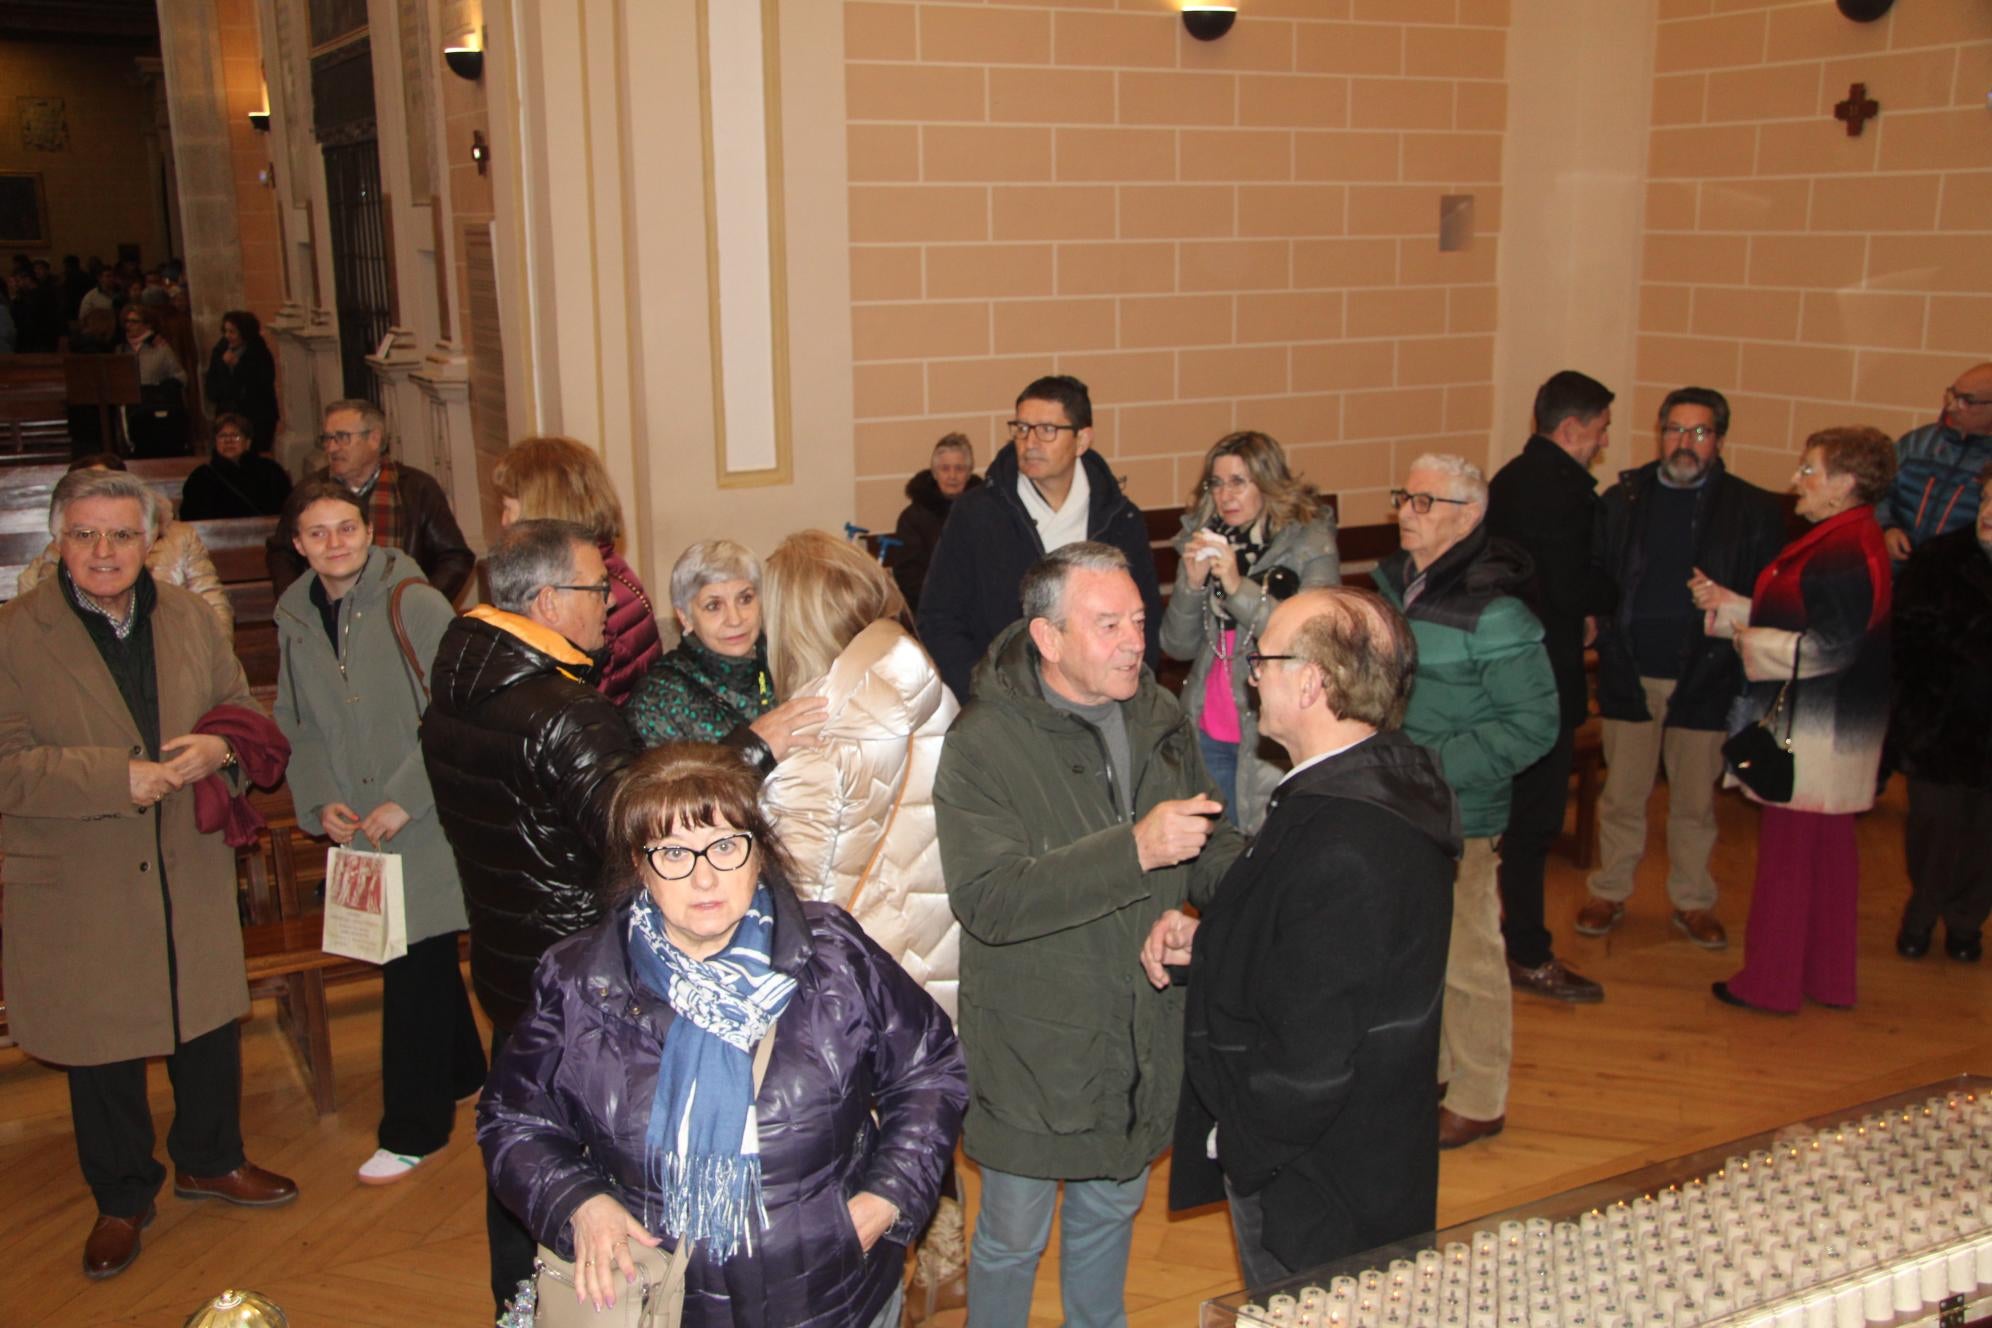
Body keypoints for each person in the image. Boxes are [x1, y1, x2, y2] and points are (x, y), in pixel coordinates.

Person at [478, 742, 967, 1327]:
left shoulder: (833, 954)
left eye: (726, 846)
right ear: (639, 865)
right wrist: (578, 1202)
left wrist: (887, 1196)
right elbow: (512, 1121)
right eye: (674, 853)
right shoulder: (583, 981)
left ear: (758, 854)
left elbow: (928, 1069)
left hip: (833, 1294)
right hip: (666, 1301)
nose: (705, 876)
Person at [934, 541, 1243, 1328]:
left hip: (1140, 1033)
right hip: (1037, 1049)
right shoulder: (983, 743)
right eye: (1109, 626)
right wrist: (1134, 849)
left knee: (1111, 1219)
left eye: (1138, 621)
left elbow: (1208, 843)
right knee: (1009, 1240)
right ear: (1047, 637)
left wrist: (1270, 884)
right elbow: (991, 900)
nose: (1135, 642)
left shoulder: (1160, 716)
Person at [0, 467, 298, 1281]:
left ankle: (210, 1156)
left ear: (151, 541)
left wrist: (222, 750)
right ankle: (122, 1198)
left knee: (201, 1019)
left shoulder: (192, 620)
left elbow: (242, 709)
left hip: (184, 861)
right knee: (102, 1045)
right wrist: (112, 776)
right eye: (86, 534)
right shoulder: (15, 633)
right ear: (59, 540)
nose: (104, 551)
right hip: (80, 869)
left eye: (122, 534)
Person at [1148, 587, 1459, 1287]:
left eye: (1264, 659)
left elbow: (1315, 1052)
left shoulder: (1348, 837)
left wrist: (1240, 1144)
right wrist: (1215, 946)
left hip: (1319, 1185)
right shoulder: (1357, 790)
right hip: (1340, 1159)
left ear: (1313, 683)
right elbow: (1316, 954)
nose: (1251, 673)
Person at [419, 518, 641, 1312]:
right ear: (547, 601)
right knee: (589, 1167)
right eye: (598, 589)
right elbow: (649, 839)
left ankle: (514, 1302)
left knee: (521, 1140)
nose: (612, 605)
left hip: (509, 962)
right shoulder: (566, 713)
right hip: (583, 979)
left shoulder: (458, 680)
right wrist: (750, 751)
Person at [758, 530, 965, 1322]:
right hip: (913, 955)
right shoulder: (899, 666)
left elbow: (800, 895)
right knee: (910, 1170)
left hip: (861, 992)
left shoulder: (842, 719)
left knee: (850, 1220)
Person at [272, 479, 486, 1186]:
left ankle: (412, 1130)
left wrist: (403, 798)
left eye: (348, 527)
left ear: (369, 531)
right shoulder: (295, 616)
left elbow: (457, 712)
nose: (336, 543)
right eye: (319, 532)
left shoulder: (413, 601)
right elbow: (296, 721)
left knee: (410, 963)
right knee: (418, 952)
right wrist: (321, 800)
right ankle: (462, 1070)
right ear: (298, 544)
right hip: (358, 821)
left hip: (419, 816)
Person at [1373, 455, 1558, 1150]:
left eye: (1425, 500)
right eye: (1404, 494)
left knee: (1471, 952)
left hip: (1460, 809)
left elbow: (1534, 724)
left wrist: (1432, 769)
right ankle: (1443, 1069)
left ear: (1469, 514)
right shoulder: (1399, 583)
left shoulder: (1497, 612)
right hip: (1399, 795)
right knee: (1424, 948)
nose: (1407, 510)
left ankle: (1481, 1097)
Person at [1693, 428, 1895, 1013]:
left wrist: (1749, 638)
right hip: (1837, 731)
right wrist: (1730, 608)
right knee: (1830, 859)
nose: (1797, 481)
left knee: (1787, 861)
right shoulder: (1851, 537)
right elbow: (1808, 618)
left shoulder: (1839, 549)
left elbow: (1832, 646)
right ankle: (1828, 979)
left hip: (1814, 733)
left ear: (1844, 484)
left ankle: (1770, 984)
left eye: (1810, 471)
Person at [1582, 388, 1785, 950]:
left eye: (1699, 433)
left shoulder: (1751, 509)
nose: (1685, 443)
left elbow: (1771, 595)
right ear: (1659, 433)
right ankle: (1610, 890)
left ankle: (1693, 900)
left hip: (1707, 672)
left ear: (1719, 439)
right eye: (1674, 430)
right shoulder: (1622, 499)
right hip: (1631, 667)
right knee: (1622, 793)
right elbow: (1598, 574)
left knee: (1695, 802)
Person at [1485, 369, 1617, 1004]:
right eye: (1599, 431)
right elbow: (1567, 588)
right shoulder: (1566, 494)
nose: (1603, 443)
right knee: (1535, 825)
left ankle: (1498, 938)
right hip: (1542, 677)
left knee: (1503, 823)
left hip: (1500, 675)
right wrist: (1607, 600)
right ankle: (1529, 952)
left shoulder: (1508, 480)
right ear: (1570, 429)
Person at [918, 374, 1163, 703]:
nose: (1029, 442)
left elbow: (1144, 618)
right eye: (1021, 428)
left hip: (1099, 704)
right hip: (1004, 707)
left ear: (1082, 440)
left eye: (1047, 430)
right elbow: (939, 618)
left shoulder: (1118, 518)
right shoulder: (977, 513)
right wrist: (985, 691)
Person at [1160, 430, 1341, 832]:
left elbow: (1312, 638)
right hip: (1208, 726)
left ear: (1267, 482)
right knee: (1218, 862)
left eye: (1238, 482)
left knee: (1267, 855)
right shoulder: (1205, 539)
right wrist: (1191, 585)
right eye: (1217, 483)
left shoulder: (1308, 542)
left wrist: (1238, 587)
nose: (1226, 496)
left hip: (1270, 732)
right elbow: (1176, 646)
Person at [1889, 461, 1992, 964]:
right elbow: (1907, 640)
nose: (1991, 512)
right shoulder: (1939, 560)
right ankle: (1921, 913)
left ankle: (1967, 922)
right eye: (1989, 499)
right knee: (1933, 827)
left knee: (1984, 836)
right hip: (1942, 726)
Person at [625, 539, 826, 771]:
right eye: (714, 606)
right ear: (685, 617)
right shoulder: (657, 700)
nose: (735, 619)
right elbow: (670, 799)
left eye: (745, 599)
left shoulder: (786, 662)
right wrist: (754, 749)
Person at [492, 434, 663, 705]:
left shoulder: (586, 597)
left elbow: (574, 710)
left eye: (508, 508)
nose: (503, 522)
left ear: (541, 510)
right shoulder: (603, 569)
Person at [266, 398, 476, 603]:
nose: (331, 448)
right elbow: (282, 552)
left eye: (342, 437)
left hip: (399, 611)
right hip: (328, 611)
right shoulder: (309, 492)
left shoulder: (416, 489)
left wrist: (421, 604)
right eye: (327, 439)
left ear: (374, 439)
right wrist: (298, 604)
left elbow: (455, 557)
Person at [18, 452, 234, 640]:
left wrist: (205, 666)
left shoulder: (179, 538)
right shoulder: (55, 556)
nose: (103, 550)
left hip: (177, 659)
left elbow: (213, 607)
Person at [1878, 363, 1992, 561]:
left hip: (1961, 575)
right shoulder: (1917, 443)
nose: (1952, 406)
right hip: (1899, 566)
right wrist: (1886, 527)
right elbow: (1876, 490)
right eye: (1952, 395)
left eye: (1966, 401)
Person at [890, 433, 981, 607]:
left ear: (969, 473)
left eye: (959, 469)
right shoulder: (912, 518)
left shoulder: (985, 511)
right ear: (934, 473)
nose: (952, 476)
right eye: (945, 469)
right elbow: (908, 575)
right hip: (931, 607)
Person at [178, 413, 294, 519]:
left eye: (235, 436)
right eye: (223, 436)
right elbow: (191, 517)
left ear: (248, 443)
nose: (229, 441)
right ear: (215, 443)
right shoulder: (201, 477)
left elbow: (288, 511)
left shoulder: (271, 471)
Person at [202, 309, 280, 454]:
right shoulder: (220, 351)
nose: (228, 336)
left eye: (232, 332)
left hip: (257, 417)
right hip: (228, 416)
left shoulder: (259, 352)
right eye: (226, 331)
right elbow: (212, 385)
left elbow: (263, 383)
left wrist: (238, 366)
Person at [119, 304, 189, 458]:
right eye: (126, 321)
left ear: (147, 324)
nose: (129, 325)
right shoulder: (120, 348)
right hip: (129, 402)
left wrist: (164, 388)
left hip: (152, 403)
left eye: (134, 321)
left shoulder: (160, 347)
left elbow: (180, 376)